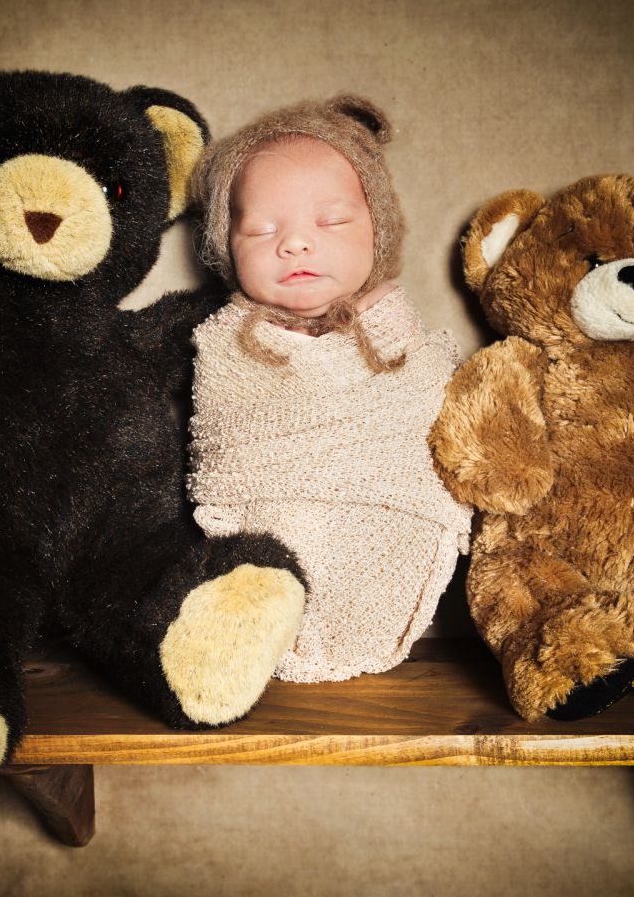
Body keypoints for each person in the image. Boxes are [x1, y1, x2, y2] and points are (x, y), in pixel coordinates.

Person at [187, 95, 471, 682]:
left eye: (332, 221)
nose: (294, 243)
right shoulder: (223, 343)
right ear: (225, 246)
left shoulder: (405, 337)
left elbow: (444, 429)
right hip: (262, 546)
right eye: (261, 230)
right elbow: (217, 444)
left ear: (379, 230)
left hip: (387, 539)